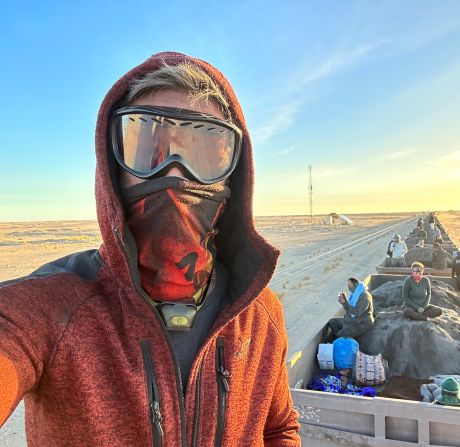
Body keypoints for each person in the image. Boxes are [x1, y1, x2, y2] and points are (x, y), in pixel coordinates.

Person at [0, 52, 300, 446]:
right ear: (112, 168)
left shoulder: (260, 316)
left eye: (205, 151)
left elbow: (279, 429)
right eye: (147, 148)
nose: (174, 172)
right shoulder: (51, 308)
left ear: (233, 176)